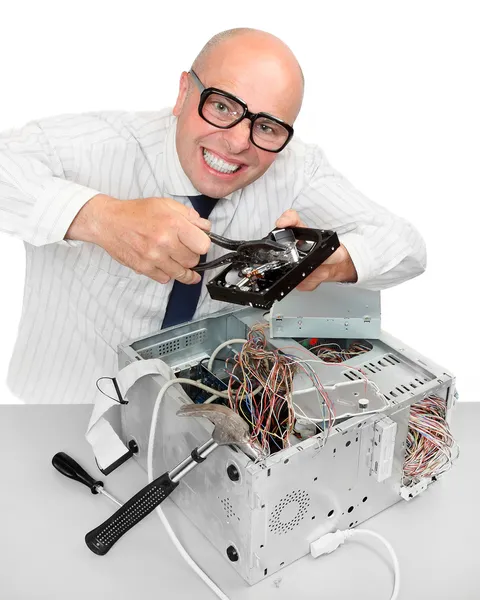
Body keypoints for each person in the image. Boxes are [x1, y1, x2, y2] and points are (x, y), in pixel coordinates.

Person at [0, 28, 426, 404]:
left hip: (199, 418)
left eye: (267, 127)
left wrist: (332, 263)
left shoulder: (295, 168)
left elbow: (406, 246)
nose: (238, 142)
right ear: (184, 93)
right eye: (222, 106)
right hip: (59, 412)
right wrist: (102, 219)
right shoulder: (99, 145)